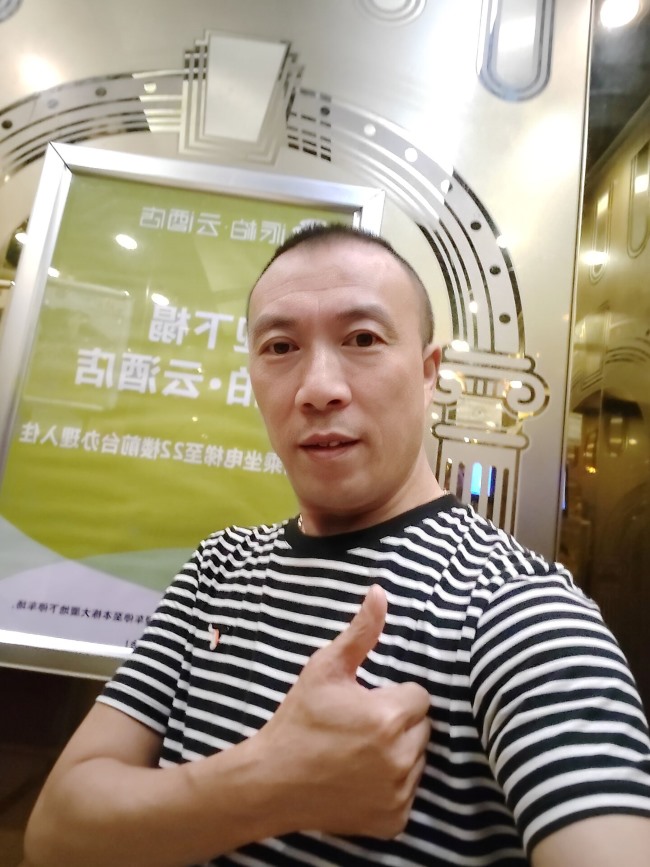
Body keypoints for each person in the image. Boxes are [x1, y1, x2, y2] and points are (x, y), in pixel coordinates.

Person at [22, 225, 650, 867]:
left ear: (428, 372)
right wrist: (273, 783)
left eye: (363, 339)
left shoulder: (513, 608)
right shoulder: (217, 569)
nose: (319, 387)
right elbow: (54, 835)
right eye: (280, 346)